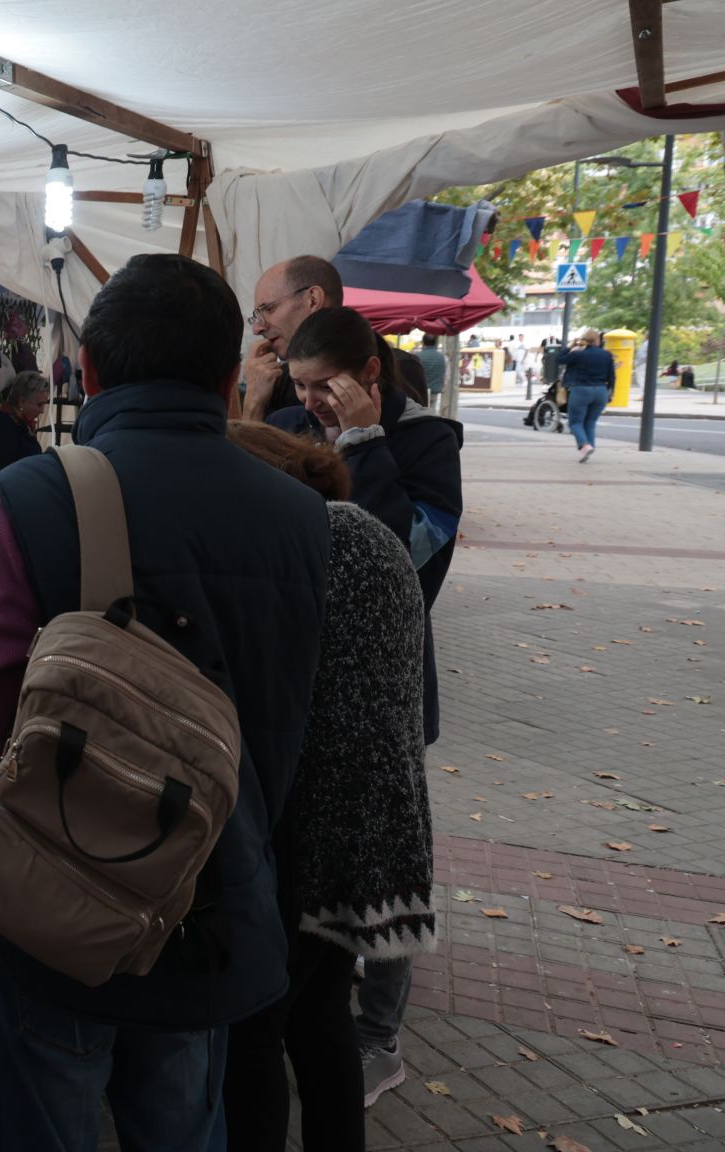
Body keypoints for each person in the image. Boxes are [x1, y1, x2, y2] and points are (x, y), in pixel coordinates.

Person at [0, 253, 331, 1152]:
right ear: (232, 377)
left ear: (94, 374)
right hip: (215, 901)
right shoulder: (305, 515)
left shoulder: (36, 498)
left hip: (61, 915)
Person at [219, 423, 438, 1152]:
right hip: (377, 828)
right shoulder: (368, 534)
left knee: (255, 1029)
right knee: (320, 1020)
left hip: (311, 830)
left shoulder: (304, 544)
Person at [265, 306, 462, 1105]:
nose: (308, 401)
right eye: (299, 385)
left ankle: (379, 1036)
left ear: (368, 375)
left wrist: (364, 445)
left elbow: (409, 555)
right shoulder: (285, 423)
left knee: (382, 866)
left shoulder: (426, 443)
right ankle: (314, 1003)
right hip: (295, 684)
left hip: (384, 690)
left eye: (323, 387)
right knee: (303, 863)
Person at [239, 254, 345, 421]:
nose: (257, 328)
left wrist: (253, 405)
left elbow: (249, 448)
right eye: (301, 385)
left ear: (313, 300)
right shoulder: (277, 381)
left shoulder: (389, 371)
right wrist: (255, 399)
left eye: (268, 309)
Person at [0, 370, 50, 497]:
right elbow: (6, 473)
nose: (42, 411)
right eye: (39, 405)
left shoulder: (19, 421)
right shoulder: (2, 425)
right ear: (22, 402)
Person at [558, 329, 617, 462]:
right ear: (598, 340)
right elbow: (612, 377)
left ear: (584, 340)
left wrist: (570, 346)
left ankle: (585, 446)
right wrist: (611, 392)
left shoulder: (578, 354)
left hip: (581, 390)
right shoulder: (607, 355)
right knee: (590, 422)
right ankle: (589, 447)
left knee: (575, 423)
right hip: (601, 391)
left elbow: (559, 359)